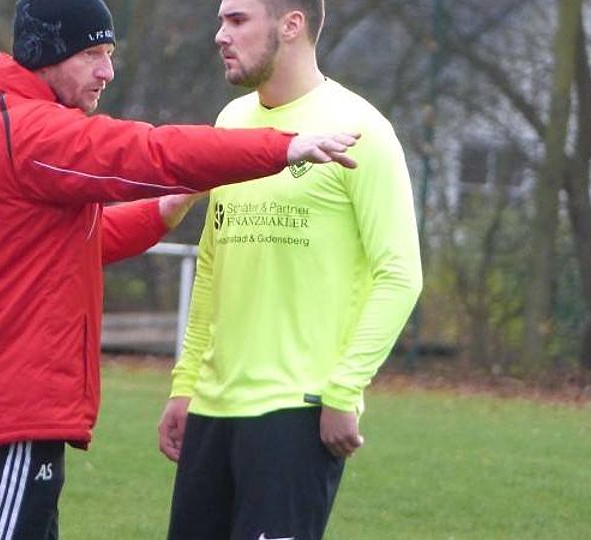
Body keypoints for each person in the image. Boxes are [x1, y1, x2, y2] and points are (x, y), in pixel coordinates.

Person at [0, 0, 361, 538]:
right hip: (12, 407)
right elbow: (147, 151)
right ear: (47, 54)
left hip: (13, 404)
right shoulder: (28, 131)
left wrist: (160, 211)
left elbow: (70, 248)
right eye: (93, 54)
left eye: (110, 54)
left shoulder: (3, 118)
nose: (107, 72)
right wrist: (283, 147)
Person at [157, 1, 423, 539]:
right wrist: (186, 386)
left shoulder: (362, 129)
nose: (220, 35)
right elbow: (213, 263)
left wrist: (344, 389)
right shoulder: (230, 124)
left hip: (296, 412)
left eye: (237, 20)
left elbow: (399, 274)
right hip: (211, 409)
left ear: (291, 24)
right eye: (221, 20)